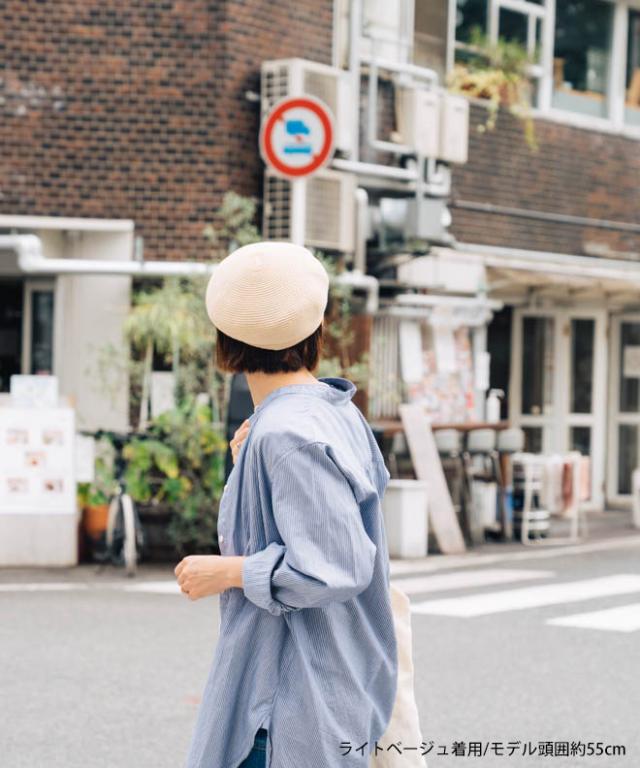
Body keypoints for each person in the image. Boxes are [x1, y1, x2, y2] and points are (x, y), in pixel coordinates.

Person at [174, 241, 398, 768]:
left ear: (224, 339)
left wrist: (228, 572)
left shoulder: (286, 433)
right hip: (320, 693)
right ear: (317, 329)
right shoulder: (330, 410)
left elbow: (334, 567)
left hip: (288, 711)